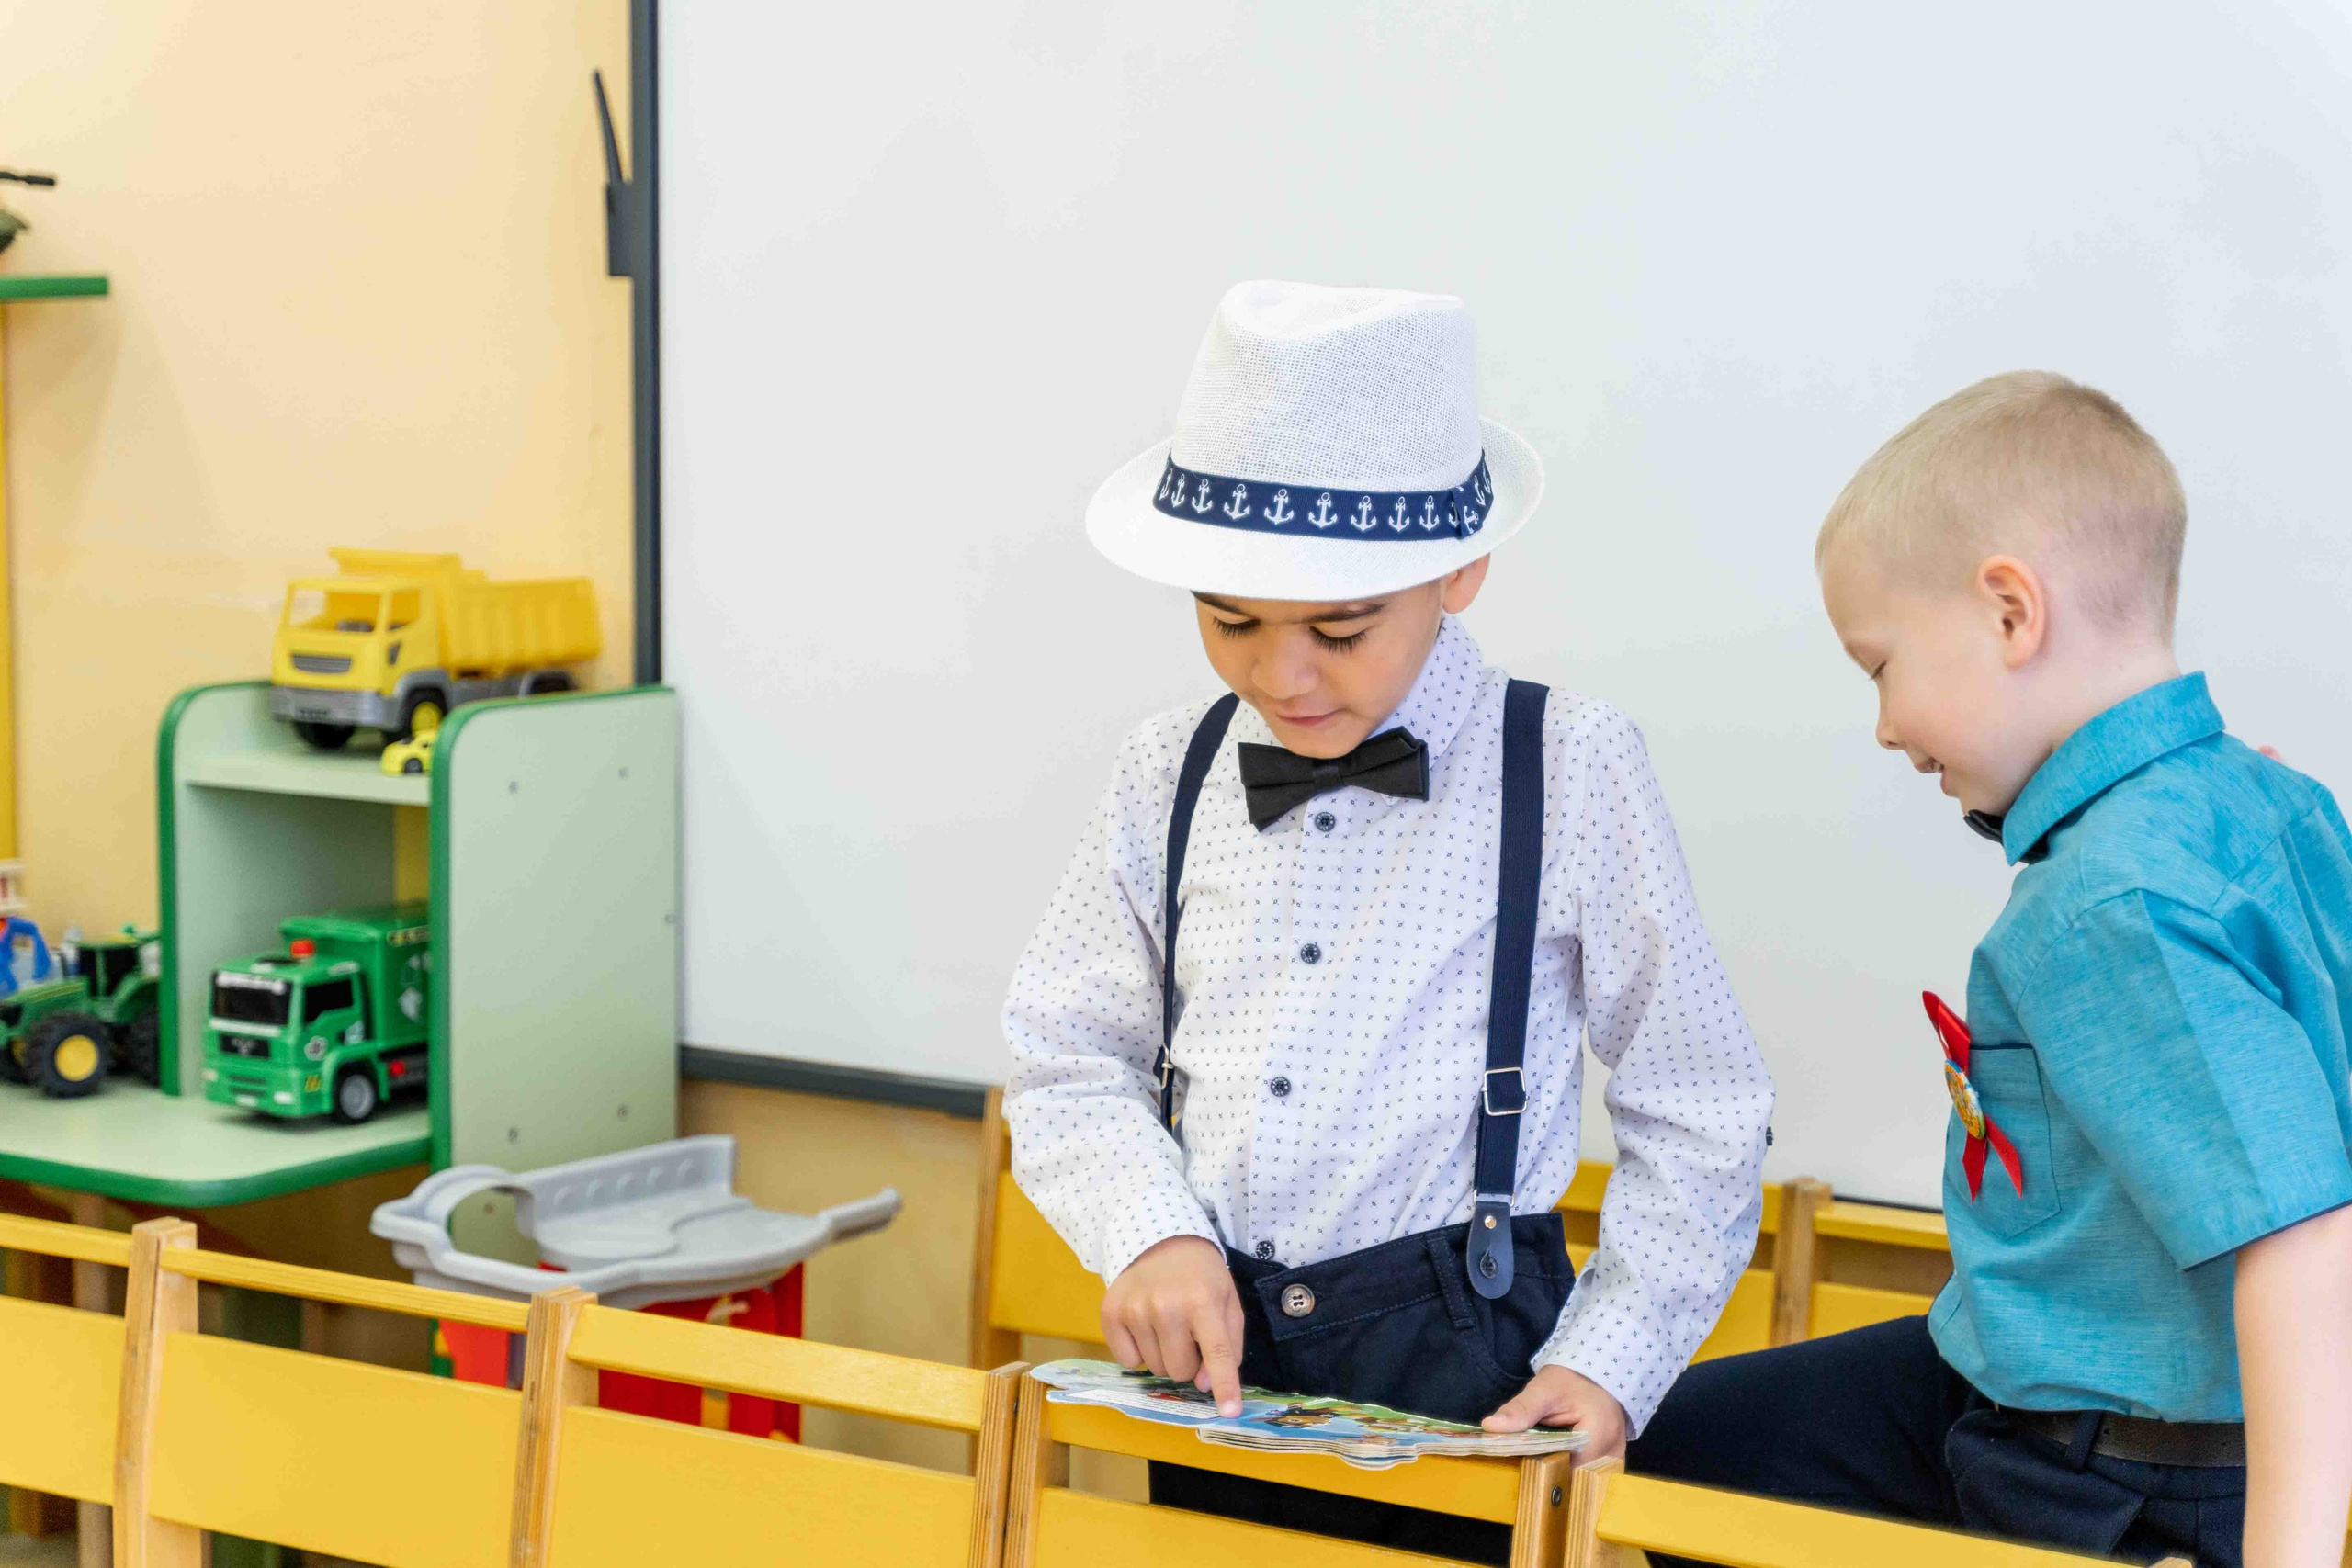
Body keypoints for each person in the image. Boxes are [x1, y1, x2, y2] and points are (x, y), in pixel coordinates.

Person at [1001, 280, 1774, 1562]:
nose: (1280, 674)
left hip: (1472, 1363)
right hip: (1216, 1359)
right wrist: (1151, 1232)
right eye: (1229, 620)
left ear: (1459, 570)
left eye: (1341, 629)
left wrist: (1613, 1363)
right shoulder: (1165, 769)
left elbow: (1700, 1103)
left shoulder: (1571, 765)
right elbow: (1063, 1052)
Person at [1629, 372, 2352, 1568]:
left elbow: (2302, 1234)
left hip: (2112, 1448)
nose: (1884, 727)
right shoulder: (2275, 801)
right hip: (2022, 1361)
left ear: (2011, 613)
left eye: (1880, 668)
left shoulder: (2108, 905)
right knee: (1689, 1444)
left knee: (1688, 1479)